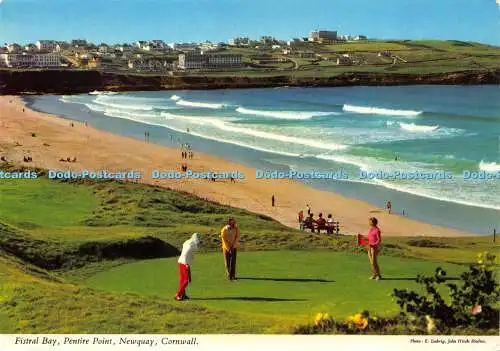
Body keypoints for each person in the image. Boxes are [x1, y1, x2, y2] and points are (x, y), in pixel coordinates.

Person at [175, 233, 200, 301]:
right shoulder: (190, 245)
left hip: (181, 262)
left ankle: (183, 295)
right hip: (184, 263)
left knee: (183, 280)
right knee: (186, 280)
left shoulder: (187, 242)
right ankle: (178, 294)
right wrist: (186, 264)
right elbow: (186, 254)